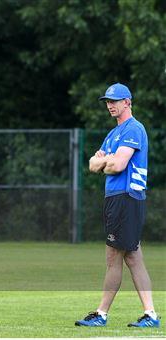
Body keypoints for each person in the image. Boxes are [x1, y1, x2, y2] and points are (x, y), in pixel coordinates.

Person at [75, 83, 160, 328]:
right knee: (133, 257)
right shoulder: (113, 134)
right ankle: (151, 314)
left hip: (126, 197)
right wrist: (104, 162)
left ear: (128, 102)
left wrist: (106, 161)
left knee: (114, 256)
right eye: (107, 102)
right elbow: (92, 165)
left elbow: (117, 166)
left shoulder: (134, 129)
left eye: (115, 100)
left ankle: (101, 313)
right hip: (115, 198)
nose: (110, 105)